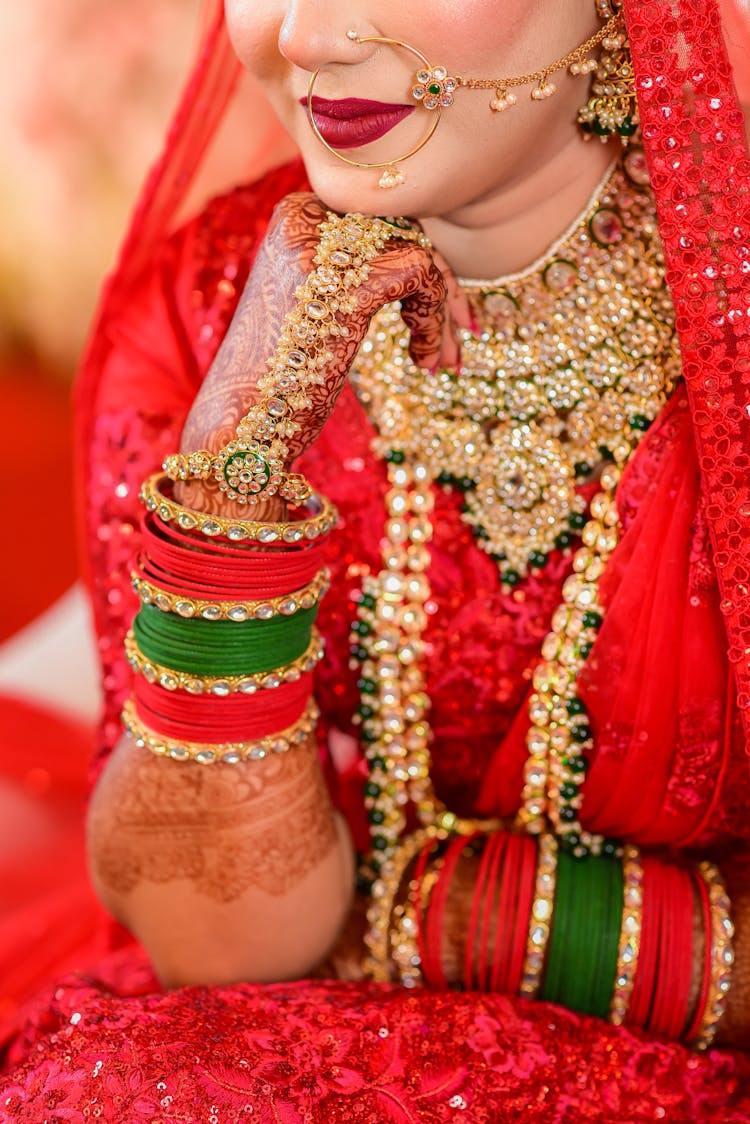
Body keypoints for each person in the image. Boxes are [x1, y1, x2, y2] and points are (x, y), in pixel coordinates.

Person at [2, 0, 750, 1118]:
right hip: (298, 1027)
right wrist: (236, 459)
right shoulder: (208, 303)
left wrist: (450, 914)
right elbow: (224, 945)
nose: (302, 34)